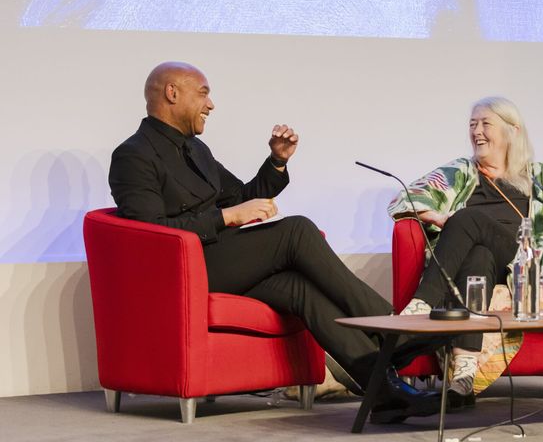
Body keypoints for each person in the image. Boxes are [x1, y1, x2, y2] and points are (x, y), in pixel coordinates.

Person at [108, 61, 438, 423]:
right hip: (184, 271)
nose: (211, 104)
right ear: (172, 93)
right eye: (203, 93)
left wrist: (276, 162)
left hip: (223, 261)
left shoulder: (197, 150)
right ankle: (390, 327)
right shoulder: (133, 154)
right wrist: (226, 217)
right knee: (295, 229)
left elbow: (244, 195)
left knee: (299, 290)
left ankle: (385, 392)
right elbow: (150, 231)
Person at [388, 96, 543, 402]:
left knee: (468, 217)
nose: (477, 131)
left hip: (519, 259)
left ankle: (422, 303)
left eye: (485, 124)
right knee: (477, 255)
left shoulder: (539, 175)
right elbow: (406, 197)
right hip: (478, 262)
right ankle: (464, 374)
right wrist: (438, 217)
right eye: (472, 124)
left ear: (512, 131)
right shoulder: (460, 171)